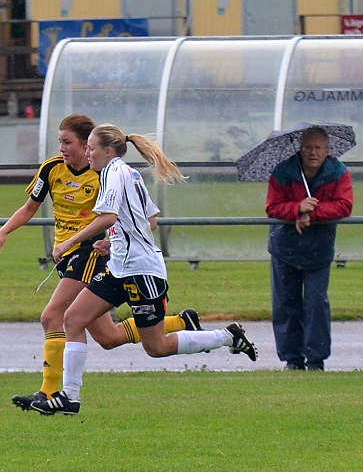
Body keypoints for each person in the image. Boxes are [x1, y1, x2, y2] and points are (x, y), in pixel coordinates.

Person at [29, 124, 258, 416]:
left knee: (157, 347)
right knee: (73, 319)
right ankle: (69, 397)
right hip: (119, 268)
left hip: (142, 273)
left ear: (108, 151)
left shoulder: (114, 173)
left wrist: (70, 242)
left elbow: (110, 216)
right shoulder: (128, 174)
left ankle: (227, 336)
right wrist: (112, 244)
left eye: (91, 148)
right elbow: (149, 221)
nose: (87, 152)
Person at [0, 114, 202, 413]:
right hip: (66, 253)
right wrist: (3, 233)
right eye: (60, 141)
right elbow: (29, 207)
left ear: (88, 145)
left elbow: (133, 218)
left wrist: (98, 241)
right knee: (108, 338)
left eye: (68, 142)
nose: (62, 148)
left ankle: (50, 393)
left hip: (89, 253)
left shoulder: (107, 174)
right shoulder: (51, 169)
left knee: (53, 316)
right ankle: (180, 323)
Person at [266, 126, 353, 371]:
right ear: (300, 149)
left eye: (318, 148)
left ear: (327, 150)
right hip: (285, 248)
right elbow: (272, 207)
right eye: (308, 147)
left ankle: (316, 360)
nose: (313, 153)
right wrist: (297, 208)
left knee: (316, 303)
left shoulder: (339, 173)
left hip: (319, 249)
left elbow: (344, 206)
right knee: (286, 305)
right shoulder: (283, 172)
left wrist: (312, 213)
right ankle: (292, 360)